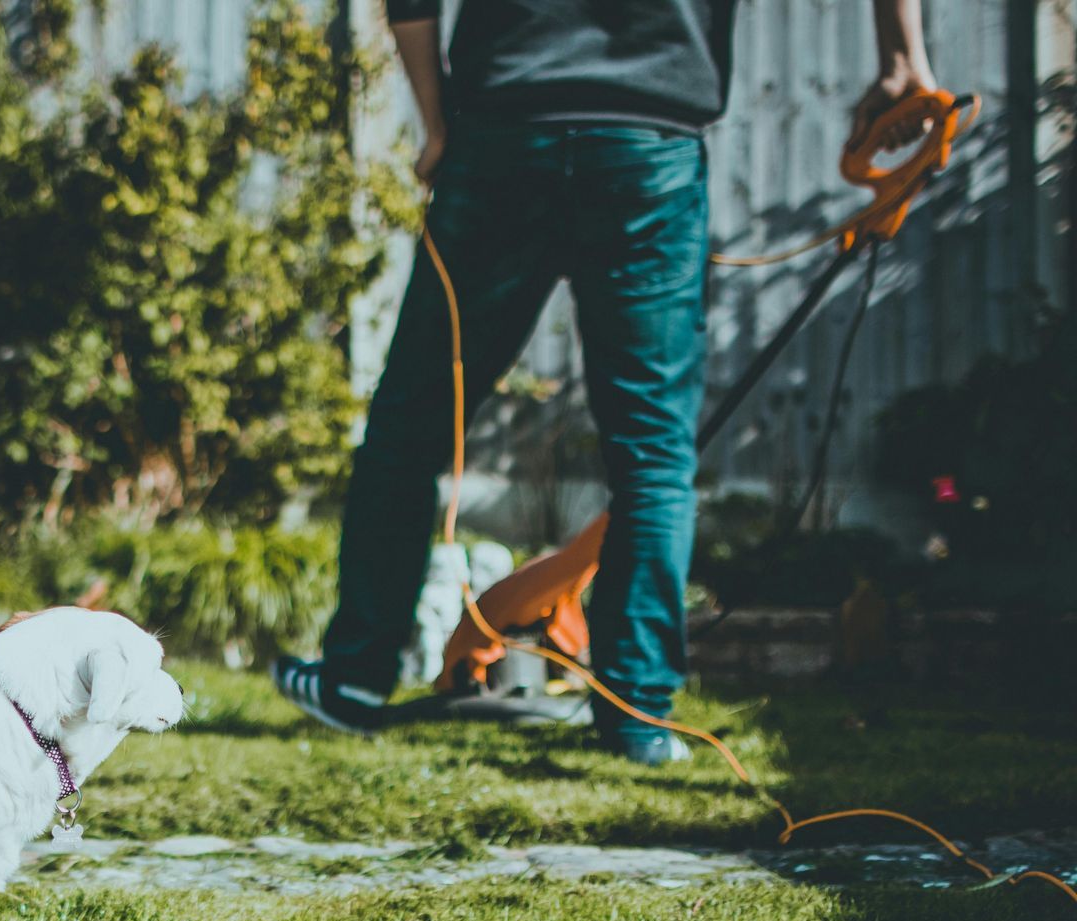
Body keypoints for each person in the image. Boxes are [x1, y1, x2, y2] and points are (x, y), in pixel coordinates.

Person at [273, 0, 937, 763]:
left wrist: (436, 124)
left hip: (503, 135)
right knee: (654, 453)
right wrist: (900, 57)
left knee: (413, 420)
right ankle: (636, 719)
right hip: (647, 143)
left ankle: (355, 680)